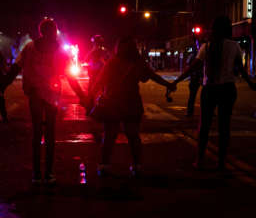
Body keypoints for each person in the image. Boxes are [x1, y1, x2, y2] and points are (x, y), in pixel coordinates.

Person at [3, 18, 83, 185]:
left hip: (35, 94)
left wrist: (1, 86)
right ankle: (48, 174)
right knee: (50, 135)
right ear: (53, 31)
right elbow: (70, 76)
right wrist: (82, 95)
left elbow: (16, 68)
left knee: (37, 134)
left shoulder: (30, 47)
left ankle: (36, 174)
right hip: (52, 95)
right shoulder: (59, 50)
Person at [173, 16, 256, 171]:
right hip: (227, 89)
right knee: (225, 127)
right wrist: (251, 84)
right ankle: (221, 162)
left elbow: (194, 67)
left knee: (204, 126)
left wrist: (176, 81)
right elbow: (240, 69)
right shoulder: (234, 46)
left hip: (210, 89)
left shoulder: (207, 46)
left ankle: (199, 160)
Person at [89, 37, 175, 177]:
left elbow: (99, 81)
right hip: (132, 103)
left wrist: (89, 97)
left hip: (113, 103)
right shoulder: (138, 63)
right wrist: (169, 85)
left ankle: (104, 165)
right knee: (133, 136)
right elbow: (151, 77)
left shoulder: (112, 62)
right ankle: (137, 166)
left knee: (110, 135)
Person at [186, 48, 203, 116]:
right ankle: (190, 111)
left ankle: (190, 112)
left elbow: (188, 65)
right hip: (197, 77)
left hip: (197, 77)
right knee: (192, 95)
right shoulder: (193, 56)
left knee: (192, 96)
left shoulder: (192, 56)